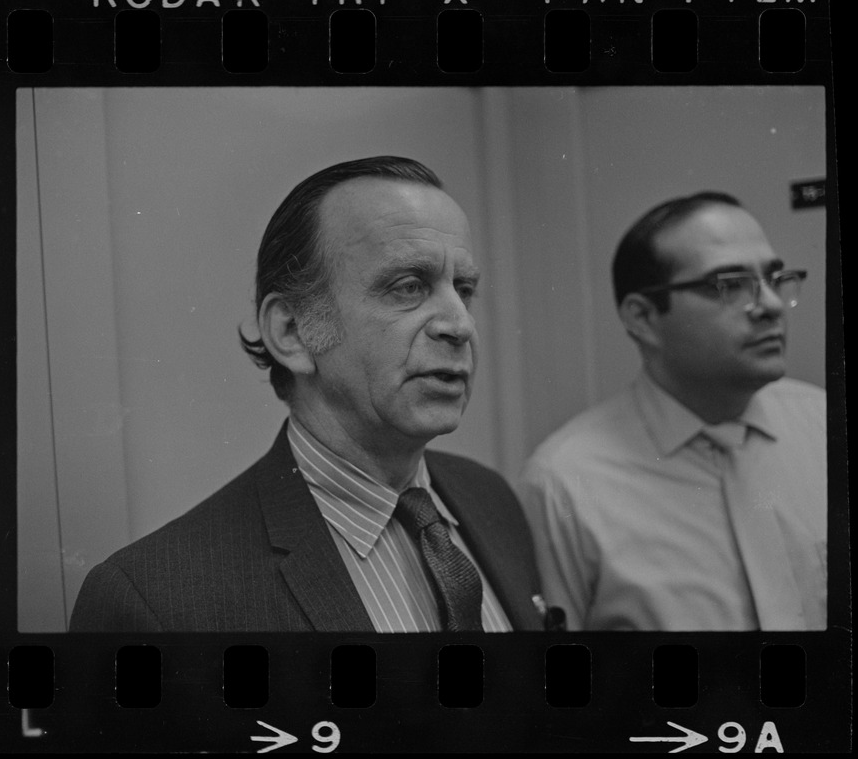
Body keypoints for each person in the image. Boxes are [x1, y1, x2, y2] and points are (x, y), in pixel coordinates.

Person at [70, 156, 543, 633]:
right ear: (293, 332)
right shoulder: (155, 599)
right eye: (408, 287)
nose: (460, 324)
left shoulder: (490, 499)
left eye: (464, 289)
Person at [518, 192, 827, 631]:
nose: (772, 305)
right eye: (728, 285)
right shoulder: (564, 484)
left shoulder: (824, 428)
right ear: (642, 318)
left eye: (774, 278)